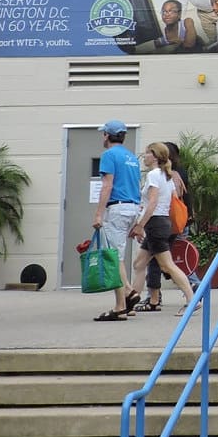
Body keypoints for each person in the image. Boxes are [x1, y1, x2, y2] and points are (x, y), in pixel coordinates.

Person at [128, 142, 191, 312]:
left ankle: (192, 300)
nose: (145, 156)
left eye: (148, 153)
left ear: (155, 157)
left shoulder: (155, 175)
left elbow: (153, 202)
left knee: (167, 265)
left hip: (155, 224)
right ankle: (131, 302)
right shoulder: (166, 175)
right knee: (139, 263)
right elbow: (169, 200)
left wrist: (140, 225)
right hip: (161, 223)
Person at [90, 120, 140, 322]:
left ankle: (121, 306)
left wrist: (98, 214)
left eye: (103, 134)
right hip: (133, 207)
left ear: (108, 136)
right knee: (118, 255)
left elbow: (107, 186)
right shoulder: (131, 157)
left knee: (113, 257)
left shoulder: (109, 155)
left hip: (117, 208)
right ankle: (129, 295)